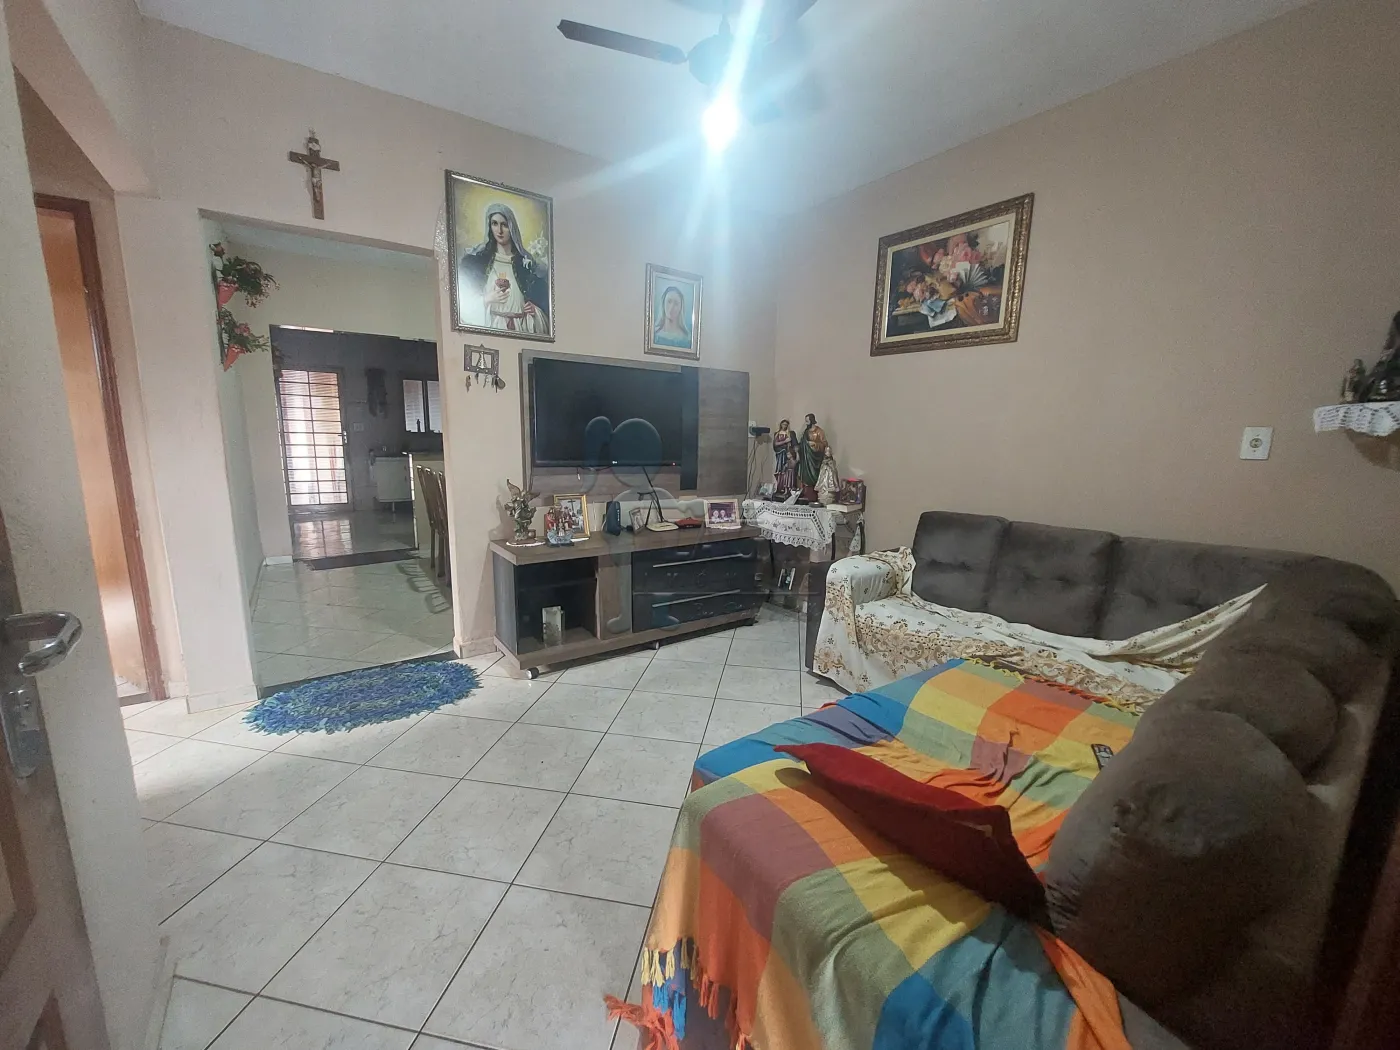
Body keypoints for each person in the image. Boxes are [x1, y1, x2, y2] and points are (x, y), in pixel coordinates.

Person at [458, 202, 550, 334]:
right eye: (494, 224)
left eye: (504, 225)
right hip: (492, 324)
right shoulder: (477, 262)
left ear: (511, 227)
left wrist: (534, 309)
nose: (499, 230)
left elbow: (543, 300)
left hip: (521, 326)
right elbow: (464, 309)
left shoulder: (525, 264)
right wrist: (487, 299)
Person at [797, 413, 828, 495]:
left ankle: (813, 493)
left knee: (815, 476)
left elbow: (825, 444)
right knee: (805, 477)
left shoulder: (819, 431)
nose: (806, 423)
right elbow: (802, 444)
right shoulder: (806, 432)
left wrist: (815, 444)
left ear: (812, 421)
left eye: (807, 421)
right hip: (806, 459)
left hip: (815, 459)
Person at [772, 419, 795, 493]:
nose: (784, 426)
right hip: (780, 454)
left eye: (786, 425)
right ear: (781, 425)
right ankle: (779, 486)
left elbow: (794, 445)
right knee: (780, 470)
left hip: (787, 454)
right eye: (783, 424)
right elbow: (775, 444)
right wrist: (785, 441)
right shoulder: (777, 433)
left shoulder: (790, 433)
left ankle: (786, 487)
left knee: (786, 470)